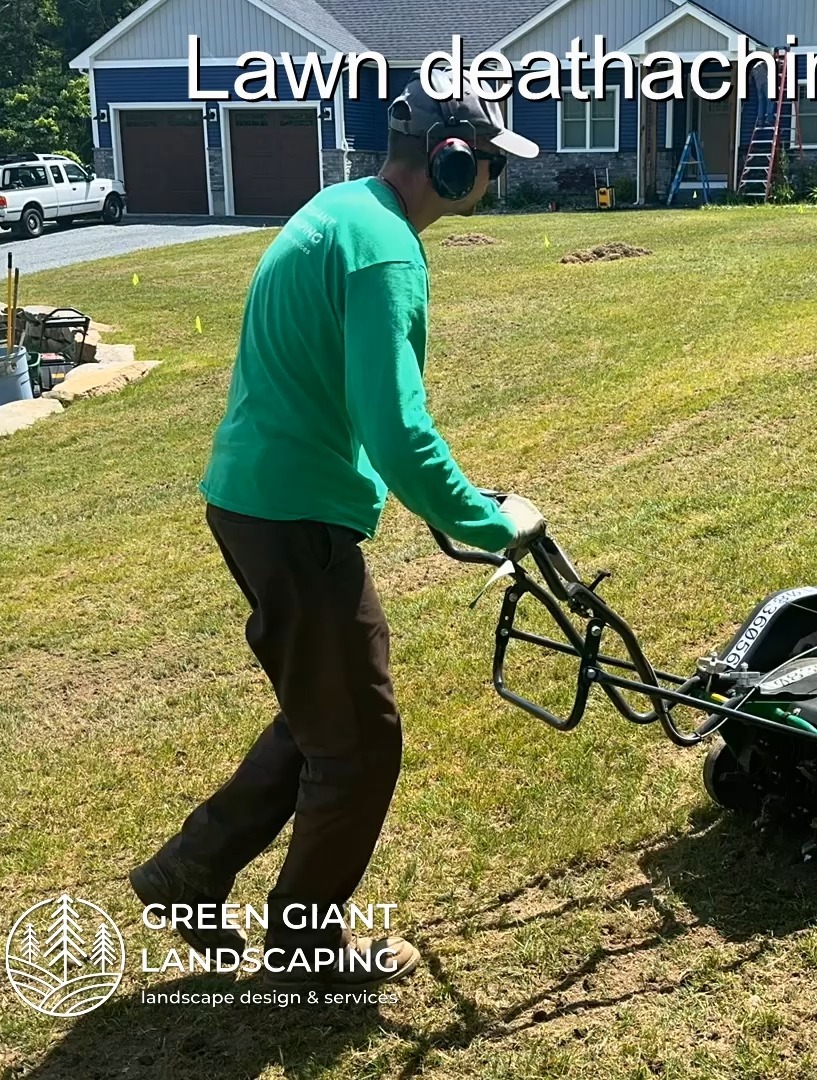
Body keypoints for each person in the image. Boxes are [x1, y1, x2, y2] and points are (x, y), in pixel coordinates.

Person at [128, 70, 547, 992]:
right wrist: (489, 521)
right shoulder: (385, 251)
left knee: (325, 706)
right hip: (293, 515)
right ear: (448, 162)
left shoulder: (340, 208)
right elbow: (396, 427)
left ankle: (189, 868)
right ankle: (305, 952)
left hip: (252, 498)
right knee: (361, 740)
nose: (493, 184)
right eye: (489, 167)